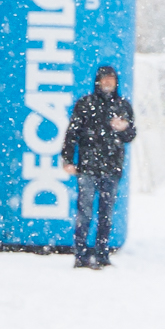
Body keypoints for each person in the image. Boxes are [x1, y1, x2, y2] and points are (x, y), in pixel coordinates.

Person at [61, 65, 135, 267]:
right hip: (88, 167)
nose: (108, 82)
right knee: (85, 212)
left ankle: (102, 254)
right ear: (98, 81)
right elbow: (72, 133)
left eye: (111, 78)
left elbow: (131, 135)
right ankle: (81, 255)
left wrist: (124, 128)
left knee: (106, 214)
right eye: (105, 78)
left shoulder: (123, 106)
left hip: (111, 168)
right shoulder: (85, 104)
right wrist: (68, 159)